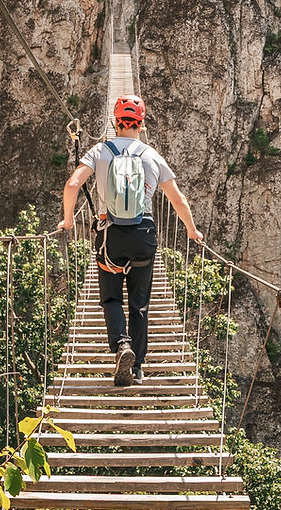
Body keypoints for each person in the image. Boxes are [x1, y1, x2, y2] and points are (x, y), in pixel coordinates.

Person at [56, 94, 204, 386]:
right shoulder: (151, 155)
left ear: (114, 122)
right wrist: (191, 230)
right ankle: (136, 367)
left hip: (110, 237)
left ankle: (121, 345)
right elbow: (178, 199)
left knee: (111, 298)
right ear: (142, 124)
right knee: (139, 304)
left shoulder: (100, 150)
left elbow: (73, 184)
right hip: (143, 236)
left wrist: (69, 220)